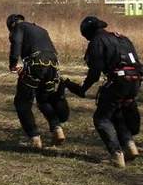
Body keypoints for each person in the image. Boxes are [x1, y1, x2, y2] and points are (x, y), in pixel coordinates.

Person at [63, 16, 142, 167]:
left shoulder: (97, 41)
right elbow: (136, 62)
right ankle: (130, 146)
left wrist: (82, 89)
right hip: (134, 80)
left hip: (118, 81)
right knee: (117, 113)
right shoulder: (122, 38)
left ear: (87, 31)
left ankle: (116, 154)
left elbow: (95, 71)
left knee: (101, 118)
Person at [8, 13, 69, 149]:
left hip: (36, 64)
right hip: (52, 65)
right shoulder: (41, 29)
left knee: (22, 102)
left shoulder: (18, 27)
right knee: (43, 100)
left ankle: (34, 138)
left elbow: (16, 44)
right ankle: (57, 129)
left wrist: (12, 63)